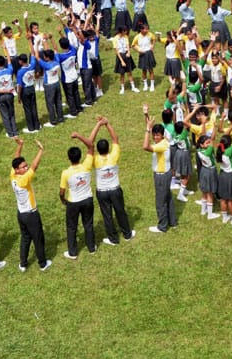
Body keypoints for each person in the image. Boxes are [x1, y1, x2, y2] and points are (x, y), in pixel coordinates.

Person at [90, 116, 137, 244]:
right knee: (120, 211)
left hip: (102, 192)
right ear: (108, 148)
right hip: (115, 190)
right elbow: (115, 139)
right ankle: (127, 234)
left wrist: (98, 125)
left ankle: (113, 239)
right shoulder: (113, 156)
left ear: (98, 150)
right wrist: (107, 123)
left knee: (107, 216)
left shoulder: (95, 159)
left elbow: (90, 142)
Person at [11, 138, 51, 271]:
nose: (26, 167)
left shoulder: (13, 176)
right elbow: (35, 166)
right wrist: (41, 150)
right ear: (17, 170)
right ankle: (42, 264)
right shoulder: (24, 179)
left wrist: (20, 146)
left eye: (25, 165)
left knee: (25, 238)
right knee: (38, 238)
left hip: (21, 214)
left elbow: (16, 158)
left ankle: (23, 264)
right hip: (31, 214)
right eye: (23, 167)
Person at [60, 130, 96, 260]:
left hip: (73, 202)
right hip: (87, 199)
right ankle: (92, 248)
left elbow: (62, 192)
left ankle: (73, 252)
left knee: (71, 227)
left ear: (69, 158)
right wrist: (78, 136)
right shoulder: (86, 166)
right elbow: (91, 146)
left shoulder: (66, 173)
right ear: (80, 156)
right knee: (88, 223)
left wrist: (63, 200)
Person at [143, 103, 177, 233]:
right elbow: (150, 129)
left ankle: (162, 226)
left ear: (162, 135)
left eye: (157, 135)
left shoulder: (161, 145)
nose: (155, 137)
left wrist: (147, 130)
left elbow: (145, 146)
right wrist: (146, 115)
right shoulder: (165, 139)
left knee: (160, 201)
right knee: (168, 198)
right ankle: (172, 221)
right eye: (154, 135)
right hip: (167, 174)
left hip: (161, 175)